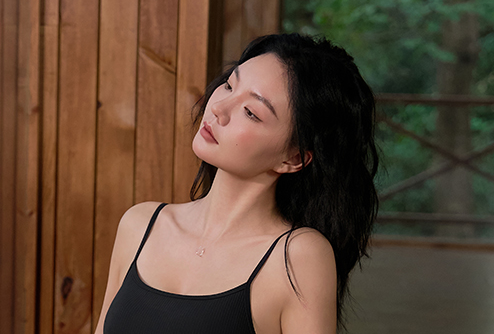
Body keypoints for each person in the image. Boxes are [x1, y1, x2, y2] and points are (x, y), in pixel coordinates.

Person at [95, 34, 379, 334]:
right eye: (230, 85)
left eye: (251, 112)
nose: (219, 107)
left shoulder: (297, 257)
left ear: (293, 158)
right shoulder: (139, 225)